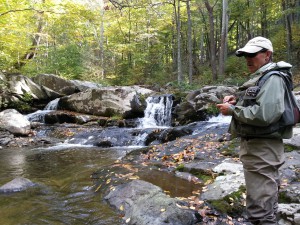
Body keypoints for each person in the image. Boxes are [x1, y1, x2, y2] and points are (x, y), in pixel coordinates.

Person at [217, 36, 293, 225]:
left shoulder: (273, 78)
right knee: (265, 202)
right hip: (259, 149)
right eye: (245, 56)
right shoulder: (263, 77)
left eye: (253, 54)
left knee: (260, 210)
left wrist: (233, 110)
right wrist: (237, 101)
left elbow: (265, 114)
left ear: (267, 55)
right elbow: (259, 104)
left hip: (262, 150)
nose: (248, 59)